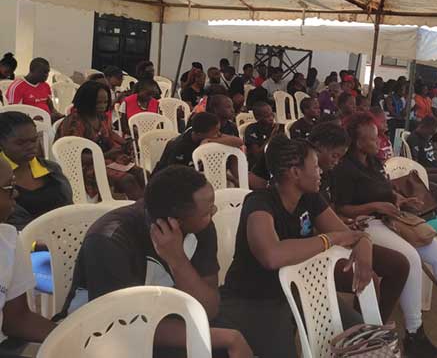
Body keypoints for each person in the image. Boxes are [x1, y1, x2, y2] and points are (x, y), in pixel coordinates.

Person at [60, 165, 252, 358]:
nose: (214, 212)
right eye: (206, 212)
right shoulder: (109, 241)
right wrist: (221, 338)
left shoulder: (201, 227)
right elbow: (122, 326)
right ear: (175, 222)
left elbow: (208, 309)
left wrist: (177, 260)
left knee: (234, 338)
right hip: (98, 334)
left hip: (160, 316)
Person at [216, 136, 374, 358]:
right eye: (316, 165)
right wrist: (330, 239)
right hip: (255, 298)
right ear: (295, 172)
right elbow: (271, 256)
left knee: (361, 334)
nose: (321, 172)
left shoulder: (310, 198)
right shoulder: (259, 202)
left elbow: (350, 235)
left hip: (299, 290)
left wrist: (364, 243)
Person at [328, 113, 437, 357]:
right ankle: (415, 334)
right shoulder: (344, 168)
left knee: (435, 249)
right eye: (372, 138)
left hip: (389, 219)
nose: (378, 141)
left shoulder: (373, 162)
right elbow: (341, 208)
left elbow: (386, 190)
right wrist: (375, 207)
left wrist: (402, 200)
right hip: (364, 224)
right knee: (410, 257)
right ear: (357, 142)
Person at [308, 123, 410, 320]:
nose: (337, 161)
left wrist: (350, 226)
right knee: (367, 277)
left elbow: (328, 211)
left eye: (340, 156)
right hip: (317, 247)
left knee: (399, 264)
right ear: (317, 148)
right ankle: (363, 329)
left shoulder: (327, 173)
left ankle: (374, 325)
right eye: (335, 156)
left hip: (335, 235)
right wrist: (350, 230)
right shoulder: (308, 180)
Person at [0, 157, 56, 352]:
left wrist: (74, 337)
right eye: (8, 188)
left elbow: (16, 318)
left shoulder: (7, 240)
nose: (15, 194)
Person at [59, 80, 146, 200]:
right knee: (127, 180)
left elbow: (109, 134)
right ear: (87, 101)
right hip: (83, 166)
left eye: (105, 102)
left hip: (103, 158)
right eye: (98, 102)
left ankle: (149, 208)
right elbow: (72, 156)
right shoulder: (75, 122)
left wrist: (124, 144)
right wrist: (106, 154)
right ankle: (140, 212)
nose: (103, 106)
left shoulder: (101, 117)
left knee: (142, 173)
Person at [0, 112, 72, 229]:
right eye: (20, 143)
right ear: (1, 143)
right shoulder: (2, 178)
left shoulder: (52, 169)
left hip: (64, 233)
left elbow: (69, 207)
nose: (30, 146)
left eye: (34, 140)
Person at [154, 112, 242, 173]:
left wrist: (211, 140)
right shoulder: (180, 146)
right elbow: (174, 175)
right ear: (200, 134)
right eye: (215, 132)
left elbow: (238, 142)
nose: (219, 134)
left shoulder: (205, 133)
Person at [244, 101, 282, 170]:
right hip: (257, 167)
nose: (271, 118)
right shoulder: (251, 129)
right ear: (257, 117)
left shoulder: (276, 128)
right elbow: (257, 155)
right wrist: (272, 137)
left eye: (272, 115)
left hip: (275, 164)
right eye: (267, 116)